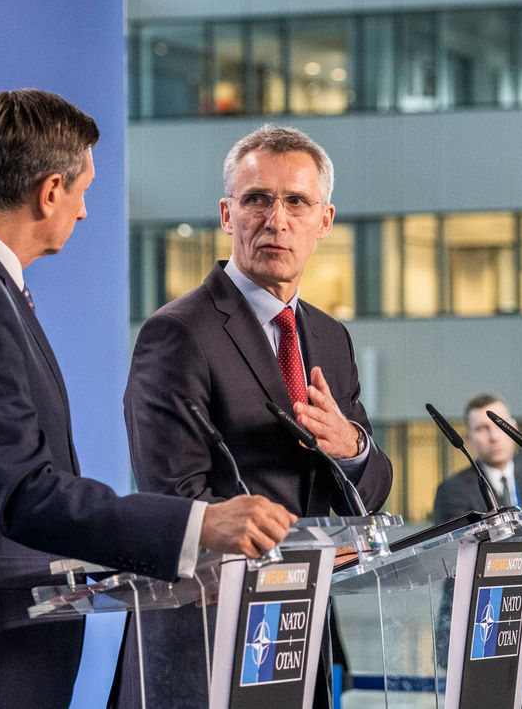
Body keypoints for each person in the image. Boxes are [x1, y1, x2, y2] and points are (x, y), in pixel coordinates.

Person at [0, 90, 294, 709]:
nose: (83, 213)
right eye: (83, 191)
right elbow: (24, 494)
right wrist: (201, 523)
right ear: (50, 190)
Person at [115, 124, 393, 708]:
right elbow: (174, 494)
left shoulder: (330, 338)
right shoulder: (178, 333)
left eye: (296, 202)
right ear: (226, 214)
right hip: (204, 641)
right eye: (257, 199)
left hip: (298, 637)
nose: (276, 219)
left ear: (325, 221)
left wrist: (352, 447)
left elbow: (372, 490)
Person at [430, 394, 522, 709]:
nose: (493, 435)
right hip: (485, 633)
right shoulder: (454, 491)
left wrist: (513, 548)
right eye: (482, 428)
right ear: (469, 437)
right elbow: (470, 555)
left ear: (513, 428)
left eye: (500, 425)